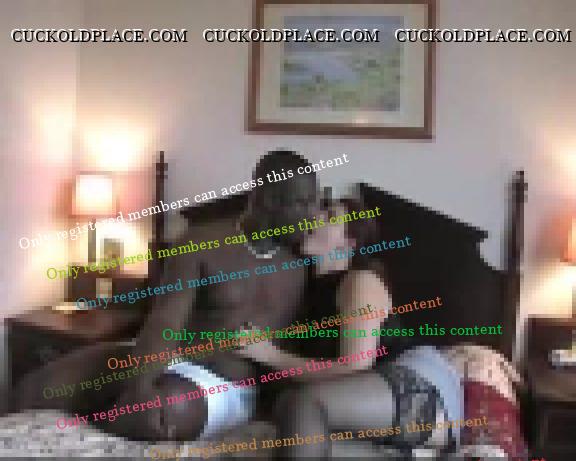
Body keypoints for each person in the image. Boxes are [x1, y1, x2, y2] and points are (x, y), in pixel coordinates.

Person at [13, 149, 320, 441]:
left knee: (158, 412)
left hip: (224, 386)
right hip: (162, 356)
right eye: (303, 203)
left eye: (314, 204)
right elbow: (164, 322)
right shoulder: (200, 242)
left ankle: (100, 423)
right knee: (38, 388)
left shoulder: (302, 264)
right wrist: (139, 385)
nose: (312, 215)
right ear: (268, 200)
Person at [236, 199, 462, 459]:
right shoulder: (309, 294)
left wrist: (270, 355)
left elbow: (355, 366)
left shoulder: (359, 281)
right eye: (319, 210)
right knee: (288, 434)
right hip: (373, 407)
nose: (316, 217)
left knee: (302, 402)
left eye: (330, 216)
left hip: (416, 386)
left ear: (348, 243)